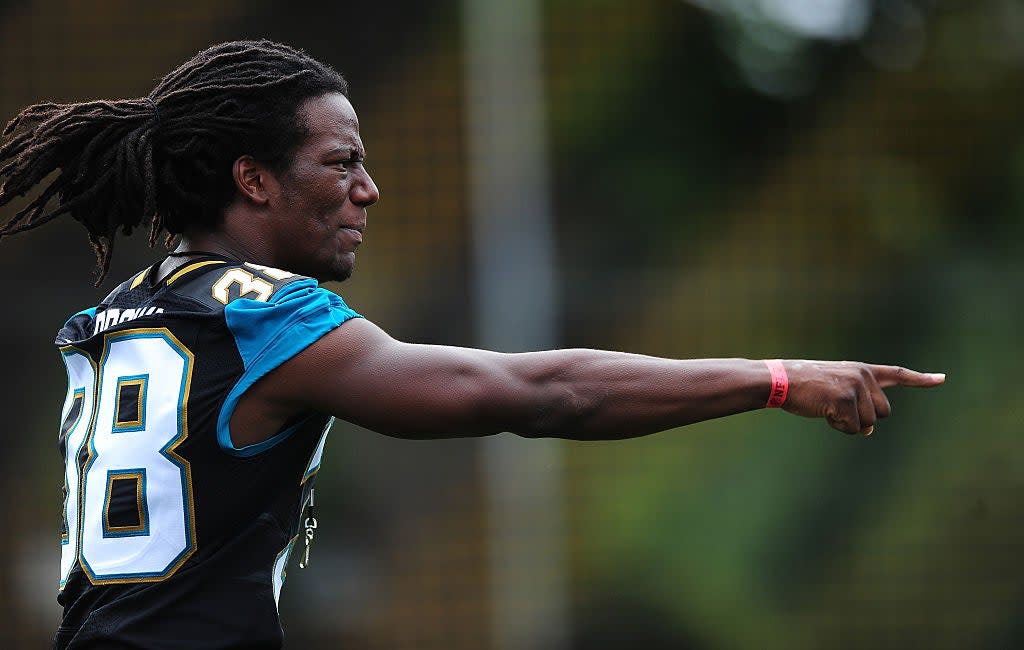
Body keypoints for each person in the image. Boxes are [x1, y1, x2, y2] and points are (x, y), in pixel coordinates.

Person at [0, 40, 944, 650]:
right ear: (252, 178)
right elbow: (542, 394)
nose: (368, 189)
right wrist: (775, 378)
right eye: (340, 164)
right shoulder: (262, 313)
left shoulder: (128, 306)